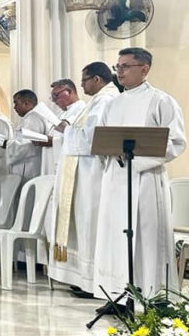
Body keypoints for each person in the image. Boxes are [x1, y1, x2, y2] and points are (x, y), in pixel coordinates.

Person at [94, 48, 186, 305]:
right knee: (116, 237)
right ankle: (119, 296)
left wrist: (138, 162)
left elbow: (176, 141)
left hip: (145, 180)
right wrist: (110, 157)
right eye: (118, 66)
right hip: (115, 179)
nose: (119, 72)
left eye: (125, 66)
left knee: (146, 237)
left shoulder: (161, 101)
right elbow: (102, 139)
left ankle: (153, 296)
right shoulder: (112, 103)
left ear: (144, 68)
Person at [49, 62, 119, 296]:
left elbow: (92, 138)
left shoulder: (104, 100)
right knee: (84, 225)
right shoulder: (98, 100)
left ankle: (92, 282)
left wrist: (67, 131)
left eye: (85, 80)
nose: (82, 85)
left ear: (97, 79)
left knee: (89, 225)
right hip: (85, 172)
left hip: (92, 174)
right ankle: (85, 279)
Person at [7, 89, 54, 185]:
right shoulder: (31, 117)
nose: (14, 107)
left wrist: (6, 146)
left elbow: (25, 145)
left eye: (16, 103)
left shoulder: (32, 118)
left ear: (26, 104)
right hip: (28, 165)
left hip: (28, 167)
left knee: (27, 197)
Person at [48, 79, 86, 162]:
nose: (54, 100)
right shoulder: (62, 113)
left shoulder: (82, 110)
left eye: (56, 95)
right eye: (52, 97)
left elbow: (81, 139)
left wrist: (52, 141)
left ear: (68, 92)